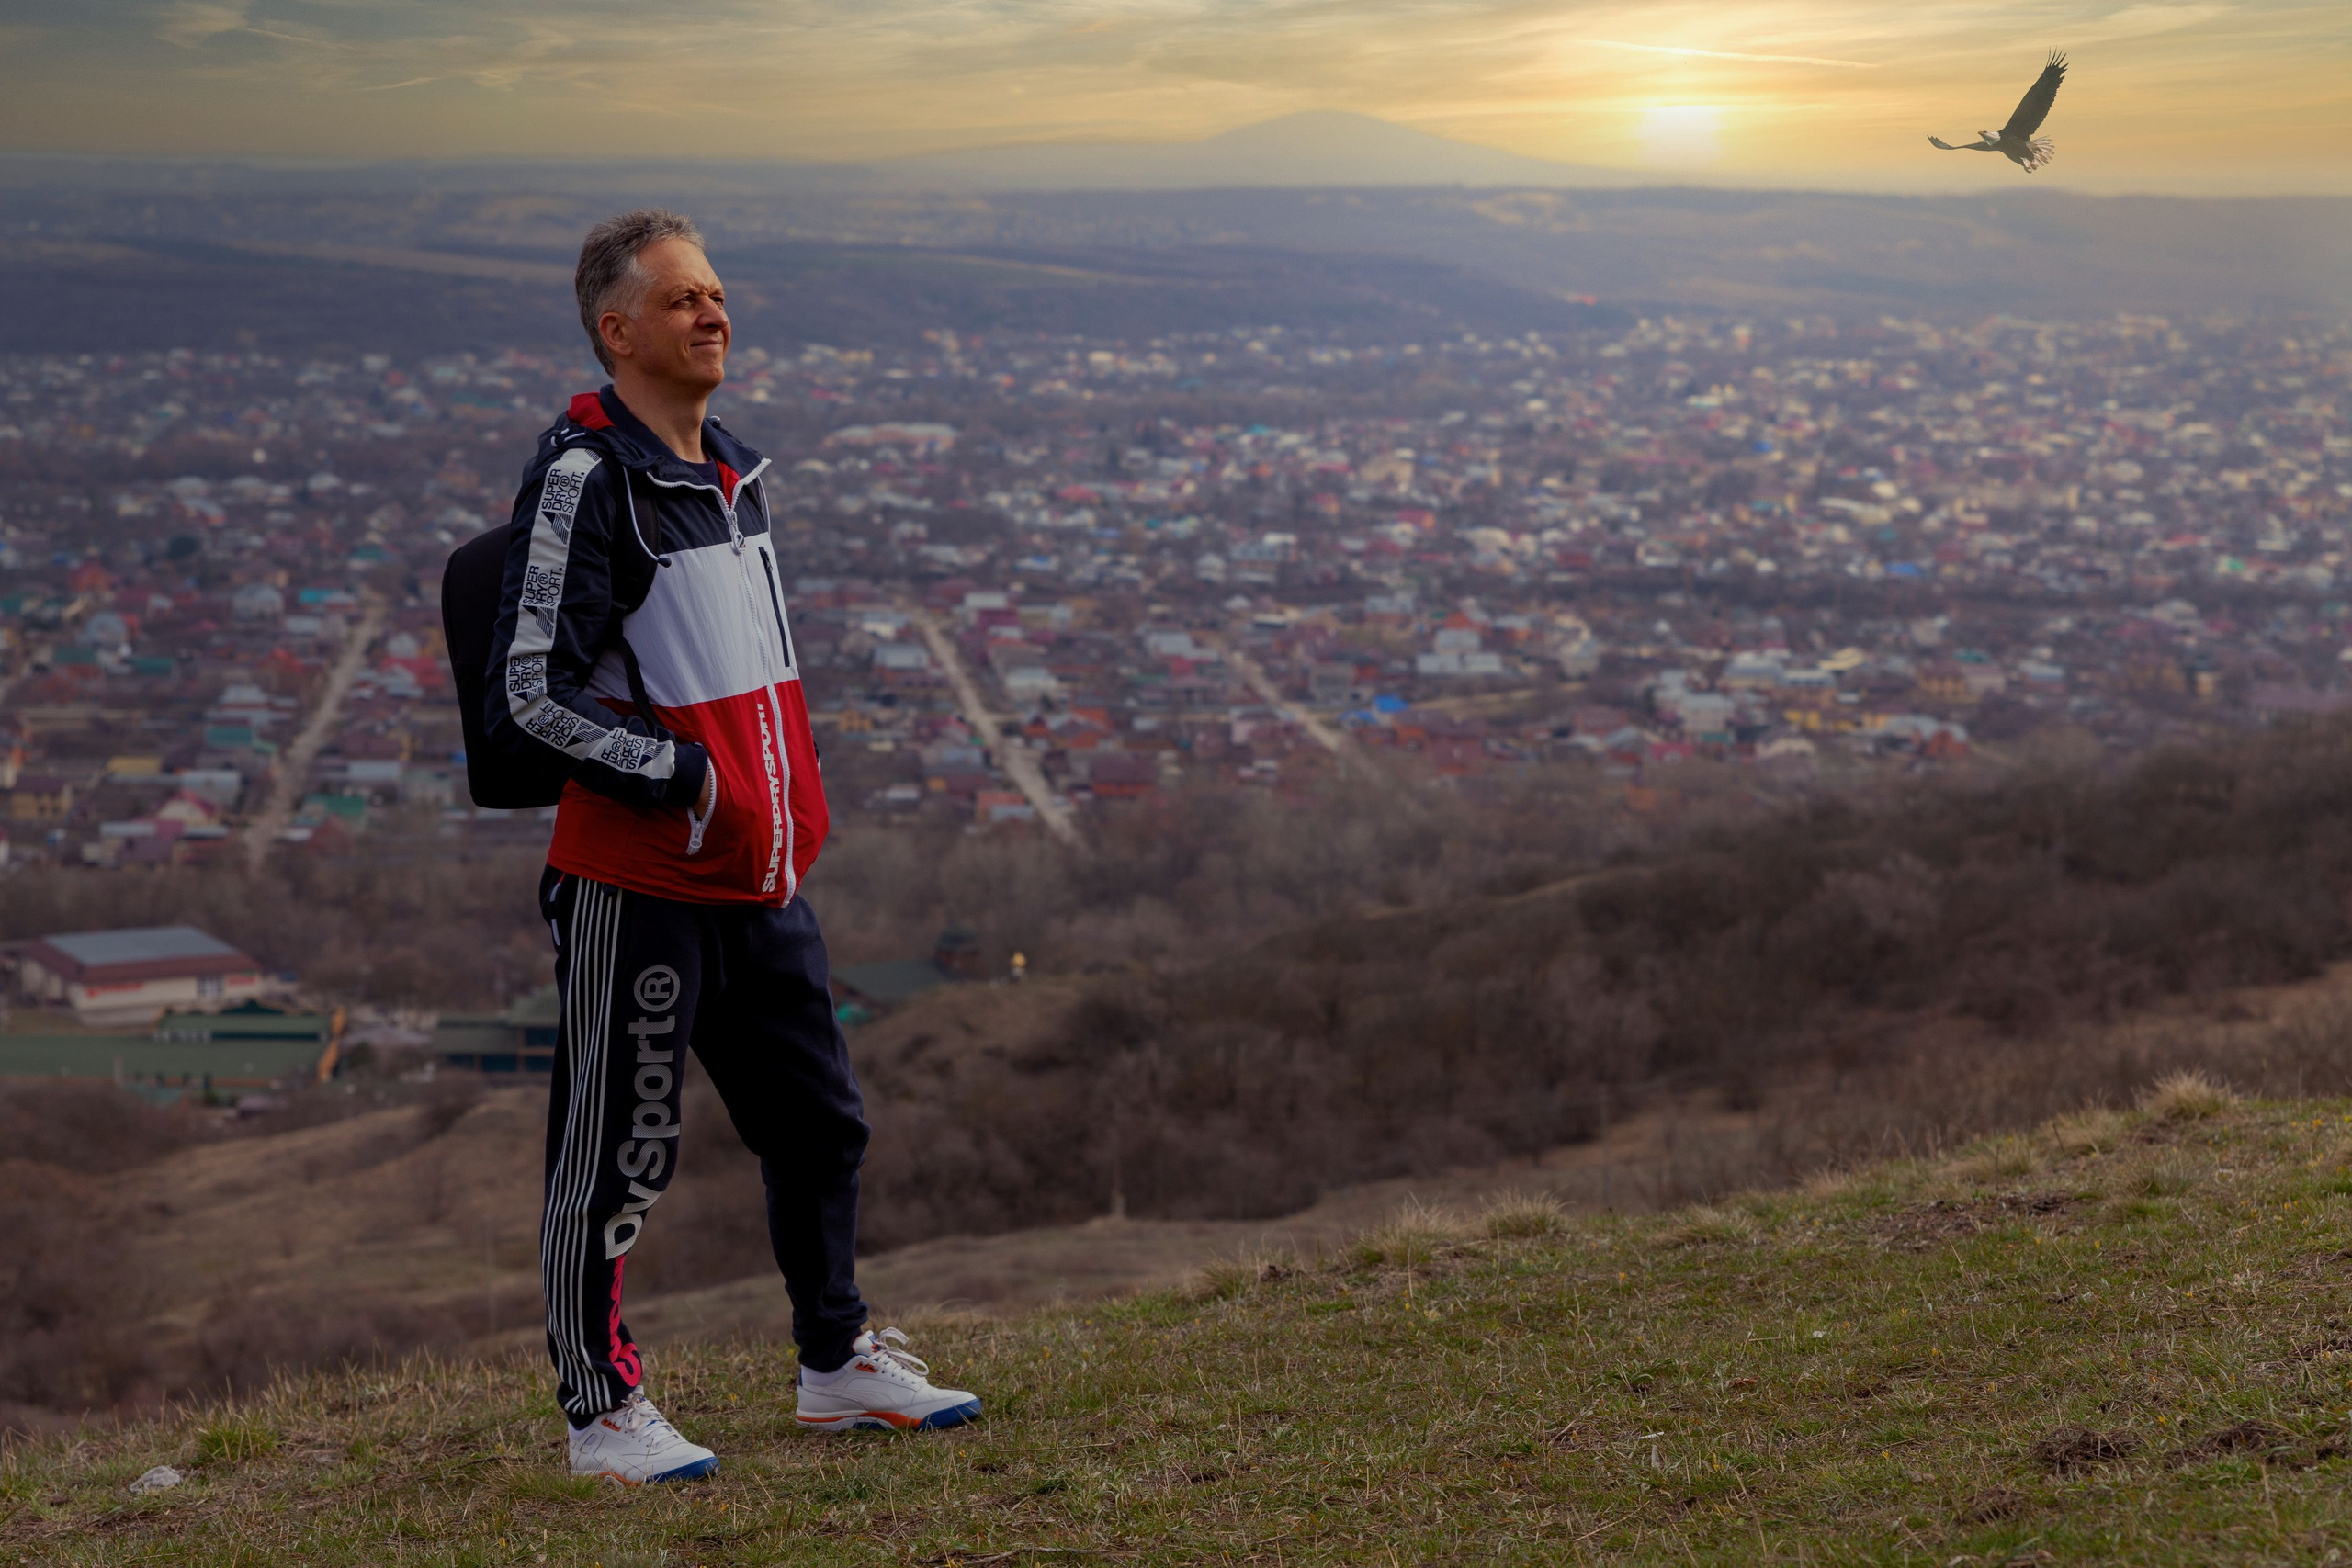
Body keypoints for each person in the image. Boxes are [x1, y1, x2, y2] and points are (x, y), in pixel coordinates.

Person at [483, 209, 980, 1485]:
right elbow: (529, 693)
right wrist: (694, 783)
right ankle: (602, 1414)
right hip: (638, 879)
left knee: (821, 1128)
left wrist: (776, 812)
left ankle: (837, 1363)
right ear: (616, 331)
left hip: (760, 878)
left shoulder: (732, 477)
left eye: (715, 293)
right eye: (682, 299)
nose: (714, 313)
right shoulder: (588, 479)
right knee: (615, 1157)